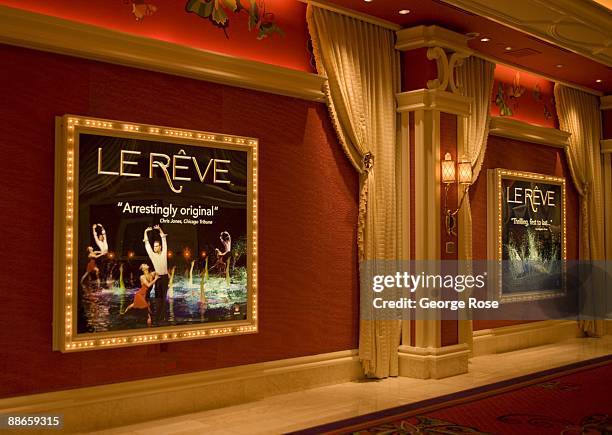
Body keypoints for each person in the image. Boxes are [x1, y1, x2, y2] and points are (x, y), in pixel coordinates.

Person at [143, 225, 169, 324]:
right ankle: (157, 319)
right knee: (158, 300)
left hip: (165, 278)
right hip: (158, 279)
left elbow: (164, 239)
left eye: (157, 246)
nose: (154, 248)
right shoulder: (152, 255)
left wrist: (159, 229)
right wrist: (145, 231)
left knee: (163, 299)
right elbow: (146, 244)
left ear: (160, 247)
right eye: (154, 246)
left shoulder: (164, 252)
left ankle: (162, 319)